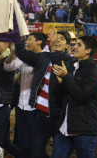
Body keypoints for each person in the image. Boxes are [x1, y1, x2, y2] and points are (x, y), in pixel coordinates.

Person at [14, 29, 75, 157]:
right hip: (41, 113)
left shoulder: (71, 63)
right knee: (36, 151)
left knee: (59, 153)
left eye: (62, 39)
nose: (57, 40)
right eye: (56, 37)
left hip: (58, 115)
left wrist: (54, 52)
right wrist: (19, 32)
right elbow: (20, 52)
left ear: (68, 46)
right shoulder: (43, 57)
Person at [51, 35, 97, 157]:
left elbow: (81, 95)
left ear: (88, 50)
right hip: (65, 128)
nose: (75, 47)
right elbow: (58, 95)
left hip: (85, 130)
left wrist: (66, 77)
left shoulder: (94, 71)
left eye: (79, 45)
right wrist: (60, 82)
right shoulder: (71, 66)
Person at [3, 32, 48, 157]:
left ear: (39, 42)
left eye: (30, 39)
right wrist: (12, 53)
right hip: (21, 104)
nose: (27, 42)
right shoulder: (25, 56)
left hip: (35, 107)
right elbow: (8, 67)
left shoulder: (44, 58)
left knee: (33, 141)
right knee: (21, 137)